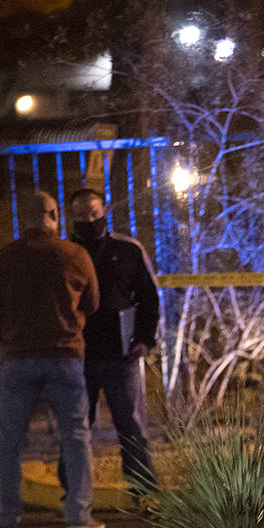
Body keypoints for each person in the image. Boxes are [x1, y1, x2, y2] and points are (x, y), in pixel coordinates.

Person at [0, 192, 104, 528]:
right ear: (55, 215)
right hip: (65, 355)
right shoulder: (75, 255)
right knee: (75, 435)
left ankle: (7, 518)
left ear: (22, 218)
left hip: (17, 357)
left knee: (9, 439)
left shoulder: (3, 259)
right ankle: (78, 515)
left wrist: (8, 336)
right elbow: (93, 303)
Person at [57, 189, 160, 499]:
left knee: (130, 425)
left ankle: (142, 489)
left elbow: (150, 299)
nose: (89, 220)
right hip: (78, 355)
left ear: (104, 211)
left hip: (122, 355)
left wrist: (144, 340)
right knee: (76, 428)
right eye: (82, 215)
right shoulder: (64, 253)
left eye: (94, 213)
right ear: (71, 218)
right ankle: (73, 491)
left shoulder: (128, 250)